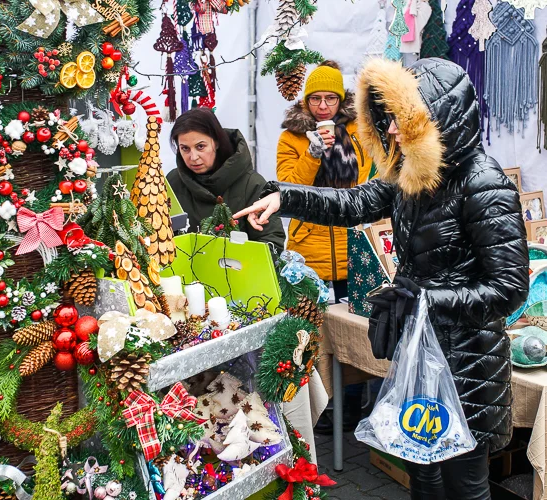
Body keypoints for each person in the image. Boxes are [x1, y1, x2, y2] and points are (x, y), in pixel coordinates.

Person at [234, 58, 530, 499]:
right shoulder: (408, 175)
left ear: (436, 118)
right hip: (418, 356)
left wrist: (427, 299)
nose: (390, 131)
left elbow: (508, 290)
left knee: (465, 486)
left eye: (400, 120)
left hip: (467, 366)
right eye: (387, 120)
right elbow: (352, 204)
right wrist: (284, 196)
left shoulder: (483, 185)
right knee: (423, 476)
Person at [276, 60, 372, 301]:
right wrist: (312, 153)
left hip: (351, 243)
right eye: (315, 98)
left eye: (330, 98)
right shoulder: (291, 137)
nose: (323, 106)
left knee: (353, 325)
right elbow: (290, 187)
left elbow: (374, 177)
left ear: (341, 99)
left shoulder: (360, 130)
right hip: (309, 242)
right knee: (306, 323)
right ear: (306, 101)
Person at [168, 108, 285, 253]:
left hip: (238, 272)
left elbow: (271, 242)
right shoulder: (172, 181)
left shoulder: (252, 184)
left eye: (200, 146)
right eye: (185, 148)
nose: (193, 157)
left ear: (216, 142)